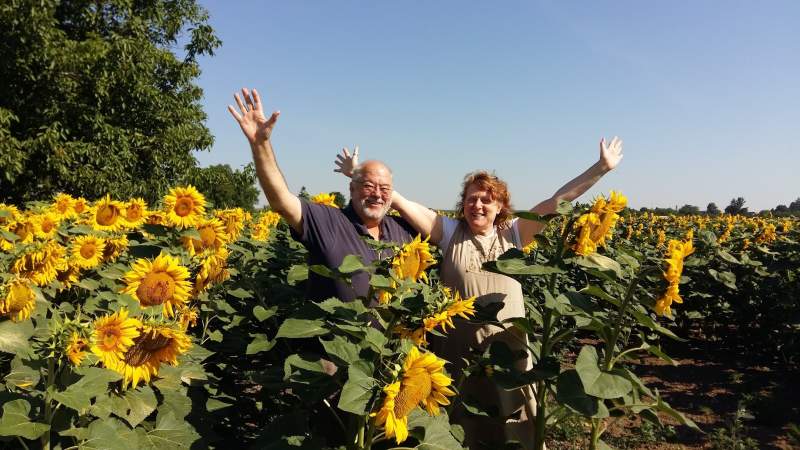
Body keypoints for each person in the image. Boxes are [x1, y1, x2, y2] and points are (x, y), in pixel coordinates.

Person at [334, 137, 623, 449]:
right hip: (457, 358)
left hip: (508, 358)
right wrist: (357, 175)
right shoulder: (448, 233)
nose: (478, 205)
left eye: (487, 199)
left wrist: (601, 168)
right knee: (461, 430)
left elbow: (555, 202)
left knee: (515, 427)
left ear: (500, 206)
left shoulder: (514, 233)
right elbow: (401, 202)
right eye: (472, 199)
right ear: (463, 204)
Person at [228, 88, 416, 302]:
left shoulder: (402, 230)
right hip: (334, 334)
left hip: (389, 336)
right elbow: (281, 201)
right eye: (368, 186)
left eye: (384, 189)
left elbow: (441, 227)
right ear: (351, 188)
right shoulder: (329, 221)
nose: (377, 195)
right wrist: (261, 145)